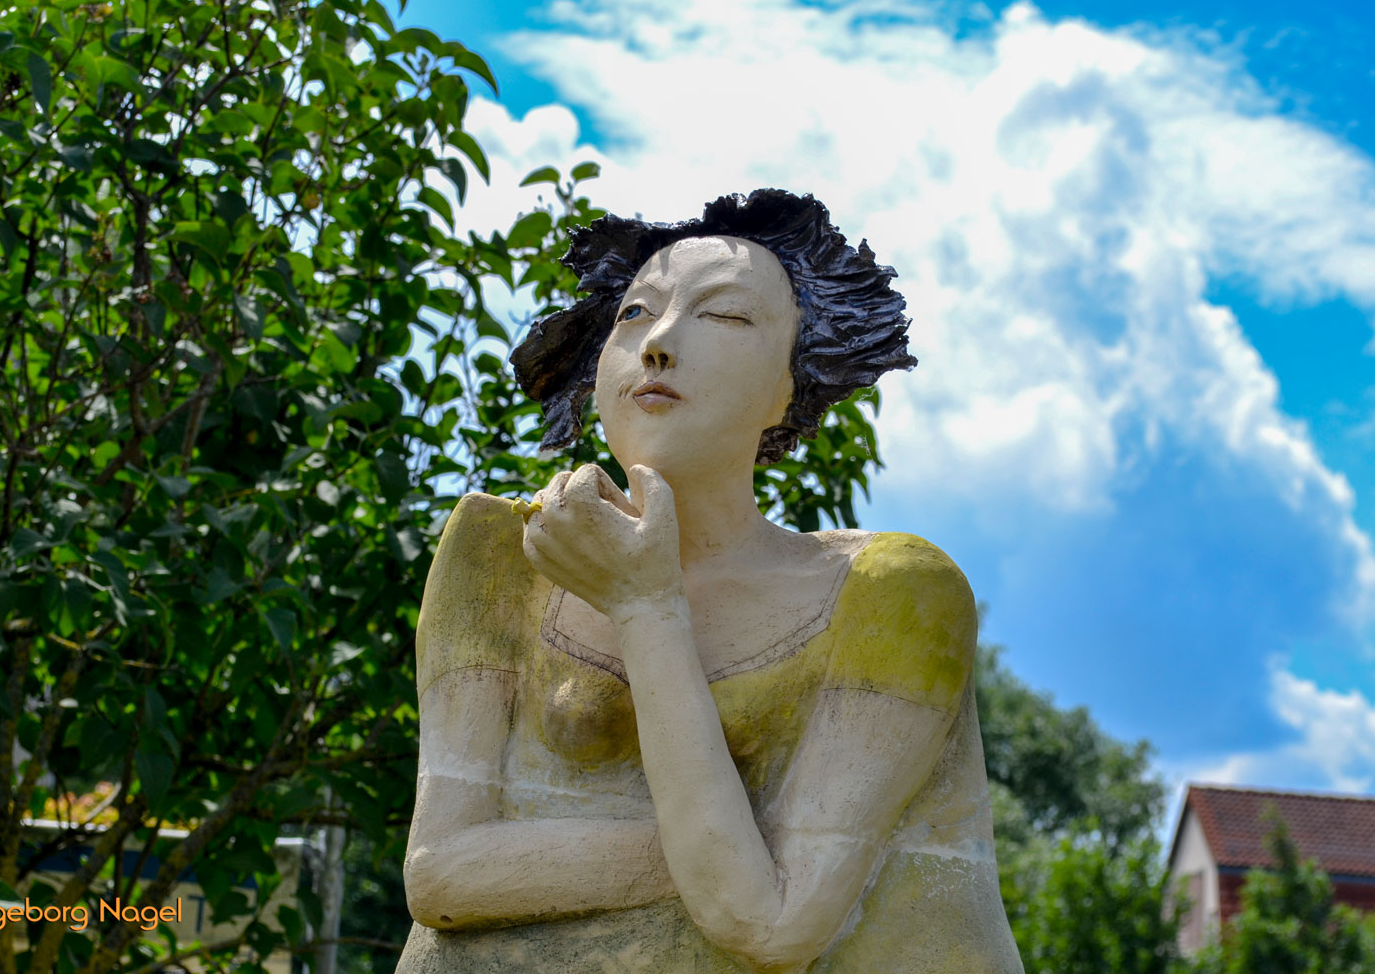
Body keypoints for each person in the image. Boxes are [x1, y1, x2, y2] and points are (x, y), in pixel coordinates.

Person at [395, 190, 1023, 973]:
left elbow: (770, 921)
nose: (658, 343)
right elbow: (438, 872)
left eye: (724, 316)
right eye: (633, 315)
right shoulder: (500, 553)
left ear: (789, 386)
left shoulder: (893, 593)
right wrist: (731, 846)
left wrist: (644, 605)